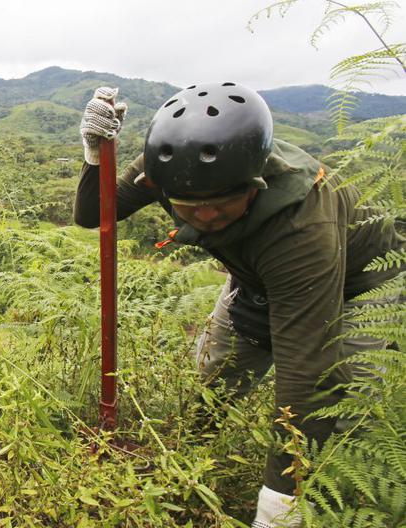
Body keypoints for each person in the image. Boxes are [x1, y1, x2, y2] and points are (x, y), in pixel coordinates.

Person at [74, 84, 403, 527]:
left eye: (222, 206)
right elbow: (95, 215)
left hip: (364, 283)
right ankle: (191, 468)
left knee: (347, 408)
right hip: (258, 279)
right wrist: (96, 158)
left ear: (256, 181)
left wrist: (277, 504)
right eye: (190, 210)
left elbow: (305, 370)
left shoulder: (303, 223)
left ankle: (334, 504)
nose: (206, 217)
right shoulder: (171, 167)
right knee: (216, 380)